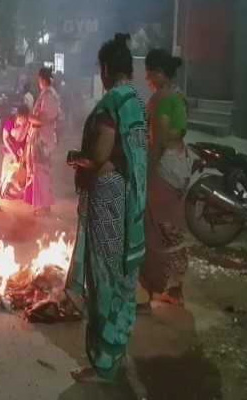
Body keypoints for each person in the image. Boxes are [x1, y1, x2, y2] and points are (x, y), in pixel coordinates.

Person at [65, 33, 148, 383]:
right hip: (133, 201)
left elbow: (100, 156)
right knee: (123, 279)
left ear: (106, 69)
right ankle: (117, 350)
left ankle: (103, 364)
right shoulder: (137, 103)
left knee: (103, 279)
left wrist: (77, 159)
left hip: (110, 200)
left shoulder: (111, 104)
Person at [140, 49, 190, 308]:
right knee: (173, 227)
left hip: (163, 168)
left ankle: (153, 288)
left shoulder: (159, 99)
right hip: (180, 165)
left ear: (159, 73)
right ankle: (176, 287)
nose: (147, 77)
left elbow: (157, 139)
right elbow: (178, 131)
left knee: (155, 227)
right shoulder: (179, 96)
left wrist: (146, 171)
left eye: (149, 72)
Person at [24, 67, 61, 216]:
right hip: (42, 138)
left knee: (41, 172)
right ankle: (42, 205)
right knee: (40, 172)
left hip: (43, 139)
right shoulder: (47, 94)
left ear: (42, 79)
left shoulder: (49, 95)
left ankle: (43, 206)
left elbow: (45, 119)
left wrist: (30, 118)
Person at [0, 105, 30, 199]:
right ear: (19, 117)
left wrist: (24, 154)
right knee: (6, 175)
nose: (24, 120)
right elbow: (5, 139)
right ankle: (4, 187)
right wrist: (13, 154)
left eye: (26, 118)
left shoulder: (28, 125)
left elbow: (28, 142)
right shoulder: (10, 122)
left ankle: (19, 190)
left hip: (22, 155)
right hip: (9, 153)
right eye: (23, 118)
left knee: (20, 177)